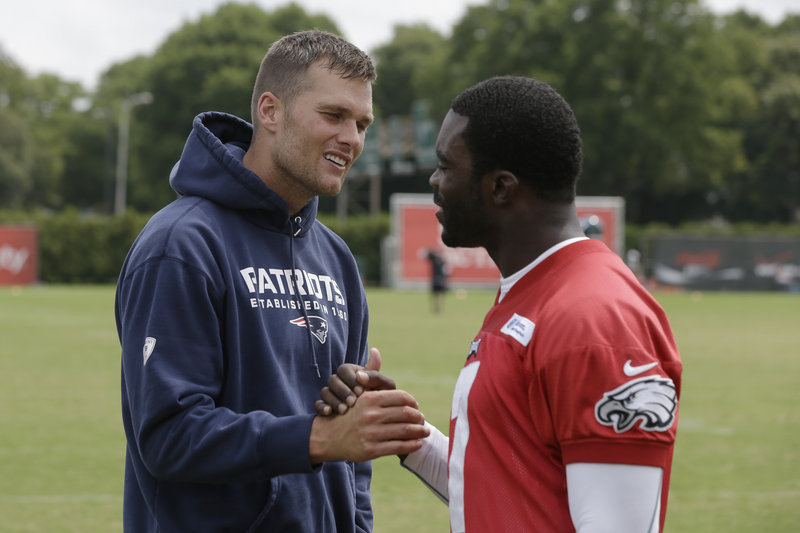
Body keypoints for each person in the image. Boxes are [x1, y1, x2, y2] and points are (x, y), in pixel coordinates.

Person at [316, 76, 682, 532]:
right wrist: (406, 433)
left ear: (501, 187)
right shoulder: (534, 291)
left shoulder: (595, 319)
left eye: (447, 166)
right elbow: (504, 489)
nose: (434, 181)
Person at [115, 30, 429, 533]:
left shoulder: (336, 258)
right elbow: (168, 435)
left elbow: (353, 457)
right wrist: (316, 438)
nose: (352, 138)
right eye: (333, 116)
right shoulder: (181, 244)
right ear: (270, 111)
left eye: (362, 123)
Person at [424, 248, 449, 313]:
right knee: (438, 295)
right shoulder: (440, 261)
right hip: (439, 280)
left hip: (437, 280)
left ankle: (437, 308)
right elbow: (446, 272)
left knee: (436, 295)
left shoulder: (435, 260)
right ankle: (438, 308)